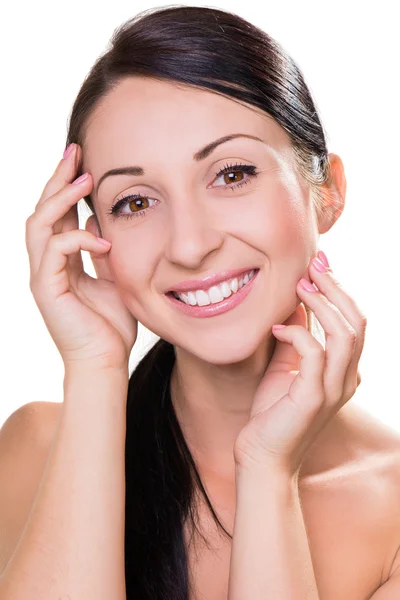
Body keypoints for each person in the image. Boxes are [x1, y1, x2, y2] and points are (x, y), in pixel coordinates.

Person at [1, 5, 399, 600]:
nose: (189, 245)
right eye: (135, 202)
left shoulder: (390, 504)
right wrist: (93, 368)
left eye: (232, 174)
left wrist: (267, 472)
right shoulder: (39, 449)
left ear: (328, 193)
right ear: (97, 243)